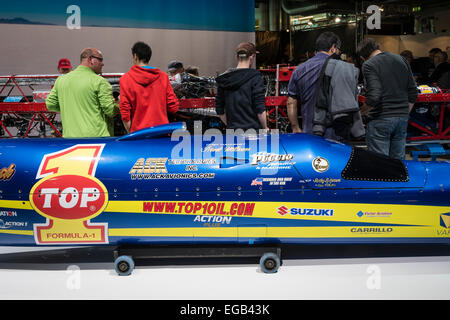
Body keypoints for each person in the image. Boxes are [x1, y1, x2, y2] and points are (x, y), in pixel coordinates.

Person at [357, 38, 418, 160]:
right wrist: (404, 113)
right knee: (398, 165)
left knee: (380, 166)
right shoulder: (401, 59)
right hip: (402, 119)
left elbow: (374, 96)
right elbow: (413, 92)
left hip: (380, 119)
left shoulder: (369, 64)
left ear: (363, 57)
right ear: (379, 46)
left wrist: (360, 113)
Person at [46, 48, 118, 137]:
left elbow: (50, 105)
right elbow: (110, 111)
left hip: (70, 139)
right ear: (90, 59)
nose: (102, 63)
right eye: (100, 60)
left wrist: (69, 107)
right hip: (96, 139)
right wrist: (120, 102)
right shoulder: (99, 82)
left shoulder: (61, 80)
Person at [287, 31, 341, 138]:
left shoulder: (300, 69)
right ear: (333, 48)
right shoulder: (341, 68)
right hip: (336, 131)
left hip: (310, 130)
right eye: (339, 49)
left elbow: (291, 102)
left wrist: (295, 126)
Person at [119, 41, 179, 133]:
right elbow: (173, 107)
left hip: (138, 134)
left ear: (135, 56)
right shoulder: (163, 77)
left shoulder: (125, 79)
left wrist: (130, 132)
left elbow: (125, 112)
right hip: (161, 132)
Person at [215, 42, 267, 131]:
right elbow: (260, 109)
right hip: (253, 131)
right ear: (252, 57)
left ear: (236, 57)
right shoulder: (255, 77)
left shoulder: (224, 79)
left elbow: (219, 109)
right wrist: (265, 127)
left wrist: (231, 126)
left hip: (232, 131)